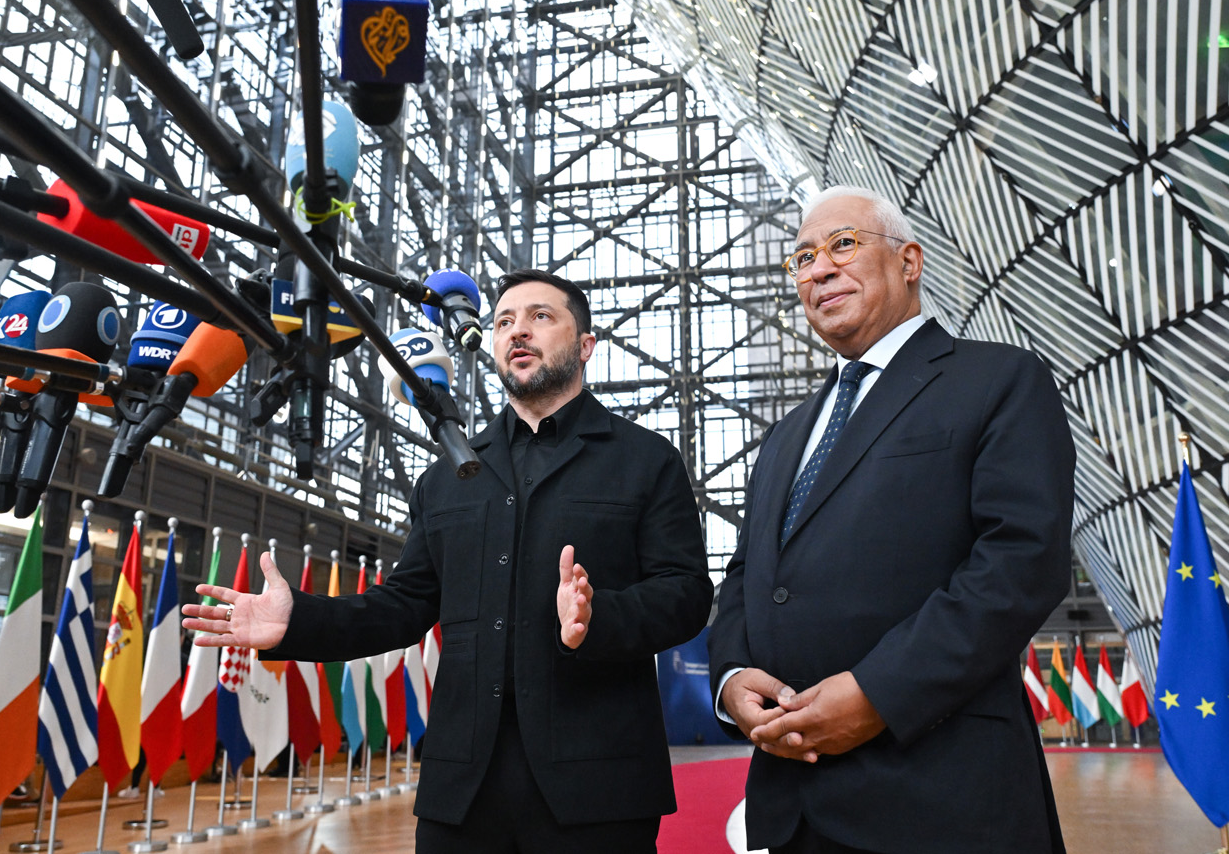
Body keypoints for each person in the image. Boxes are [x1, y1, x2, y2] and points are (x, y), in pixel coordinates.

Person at [183, 268, 713, 853]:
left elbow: (687, 592)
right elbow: (403, 606)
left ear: (586, 345)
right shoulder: (449, 475)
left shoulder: (646, 460)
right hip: (462, 793)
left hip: (600, 789)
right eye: (504, 321)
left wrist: (598, 617)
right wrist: (297, 621)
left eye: (540, 316)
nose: (518, 331)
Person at [709, 186, 1075, 853]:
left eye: (843, 245)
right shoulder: (786, 437)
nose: (819, 269)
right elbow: (746, 577)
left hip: (941, 797)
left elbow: (1021, 562)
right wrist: (732, 678)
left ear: (909, 261)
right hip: (794, 804)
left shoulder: (998, 380)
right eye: (803, 258)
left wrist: (878, 693)